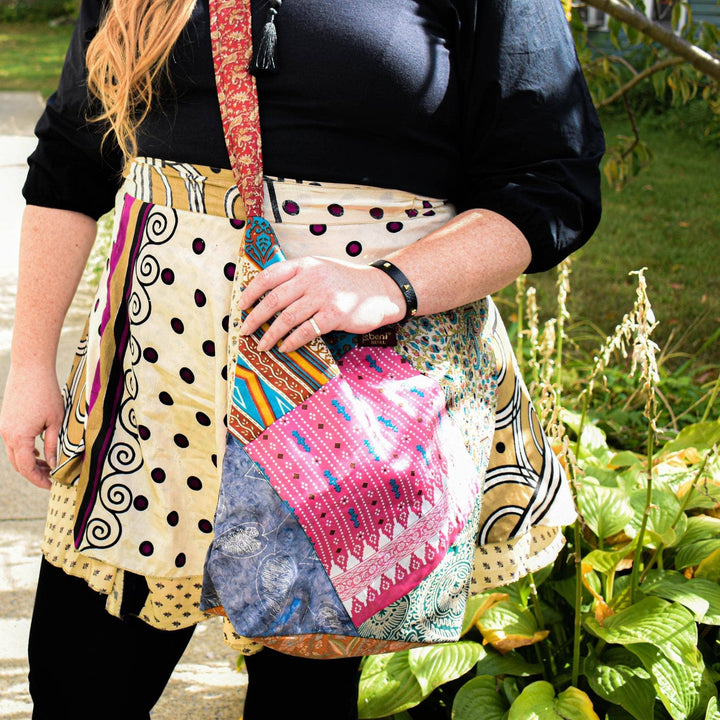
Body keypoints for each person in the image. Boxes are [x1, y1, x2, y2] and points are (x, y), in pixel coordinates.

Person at [0, 0, 605, 718]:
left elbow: (548, 182)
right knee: (80, 682)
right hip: (156, 384)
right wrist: (31, 363)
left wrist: (390, 285)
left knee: (305, 695)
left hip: (348, 390)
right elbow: (72, 159)